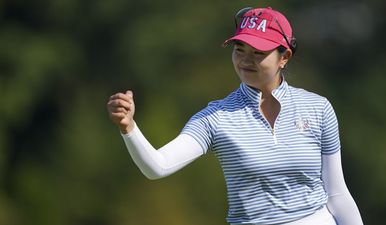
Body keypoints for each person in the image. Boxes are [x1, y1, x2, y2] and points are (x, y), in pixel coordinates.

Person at [107, 6, 364, 225]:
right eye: (239, 49)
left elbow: (337, 195)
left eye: (258, 53)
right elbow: (158, 167)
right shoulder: (215, 117)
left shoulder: (318, 108)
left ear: (284, 57)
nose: (245, 61)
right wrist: (129, 128)